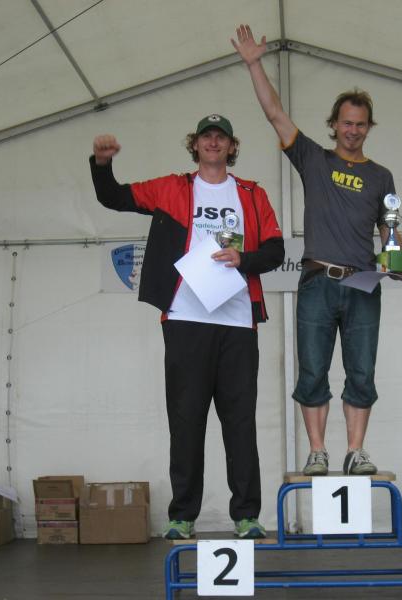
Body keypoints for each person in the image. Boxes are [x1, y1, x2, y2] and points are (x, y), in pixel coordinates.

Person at [89, 114, 285, 539]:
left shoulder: (252, 194)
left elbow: (275, 250)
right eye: (206, 137)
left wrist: (243, 259)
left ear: (232, 146)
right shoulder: (172, 187)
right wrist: (102, 164)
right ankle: (182, 516)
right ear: (194, 145)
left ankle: (246, 516)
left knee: (240, 422)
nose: (213, 143)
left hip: (238, 321)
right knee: (186, 420)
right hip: (185, 318)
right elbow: (113, 197)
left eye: (221, 137)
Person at [232, 25, 402, 477]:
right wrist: (254, 64)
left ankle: (355, 451)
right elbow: (275, 114)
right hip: (317, 280)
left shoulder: (381, 176)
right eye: (346, 123)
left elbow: (389, 228)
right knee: (312, 371)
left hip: (364, 284)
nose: (353, 130)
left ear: (369, 128)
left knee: (361, 372)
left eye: (360, 124)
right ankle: (317, 451)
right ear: (334, 125)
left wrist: (397, 259)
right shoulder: (314, 158)